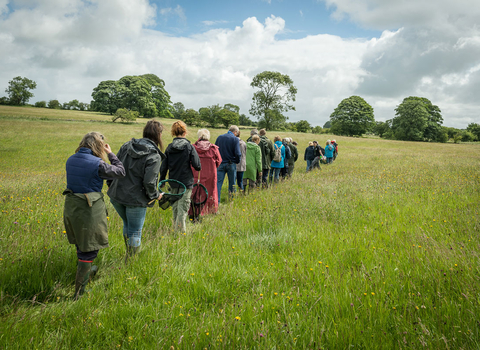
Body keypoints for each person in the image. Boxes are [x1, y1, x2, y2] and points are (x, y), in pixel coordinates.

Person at [63, 132, 125, 299]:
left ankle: (88, 273)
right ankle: (79, 293)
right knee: (89, 249)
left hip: (72, 207)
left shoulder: (71, 159)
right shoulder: (97, 164)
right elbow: (120, 171)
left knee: (81, 244)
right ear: (98, 146)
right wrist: (111, 153)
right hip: (89, 208)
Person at [107, 120, 165, 262]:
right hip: (135, 199)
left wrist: (110, 185)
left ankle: (128, 256)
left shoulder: (127, 145)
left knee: (128, 225)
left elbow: (113, 166)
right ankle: (131, 261)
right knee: (135, 231)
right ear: (159, 135)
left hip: (117, 195)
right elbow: (149, 181)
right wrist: (156, 196)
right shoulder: (154, 155)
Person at [160, 121, 201, 233]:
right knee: (183, 208)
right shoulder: (189, 147)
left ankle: (175, 229)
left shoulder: (169, 148)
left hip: (173, 181)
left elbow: (163, 166)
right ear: (184, 132)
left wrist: (162, 181)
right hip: (186, 181)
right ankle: (180, 234)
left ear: (173, 132)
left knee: (175, 207)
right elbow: (197, 166)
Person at [189, 129, 222, 217]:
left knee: (196, 192)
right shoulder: (213, 148)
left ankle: (195, 212)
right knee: (211, 192)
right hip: (210, 175)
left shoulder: (193, 147)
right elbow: (219, 161)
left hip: (196, 174)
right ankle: (211, 211)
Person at [215, 125, 241, 203]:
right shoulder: (235, 139)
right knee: (232, 183)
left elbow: (215, 150)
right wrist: (237, 161)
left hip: (220, 163)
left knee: (218, 183)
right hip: (231, 163)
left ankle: (217, 201)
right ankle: (231, 200)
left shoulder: (220, 137)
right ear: (235, 132)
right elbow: (238, 153)